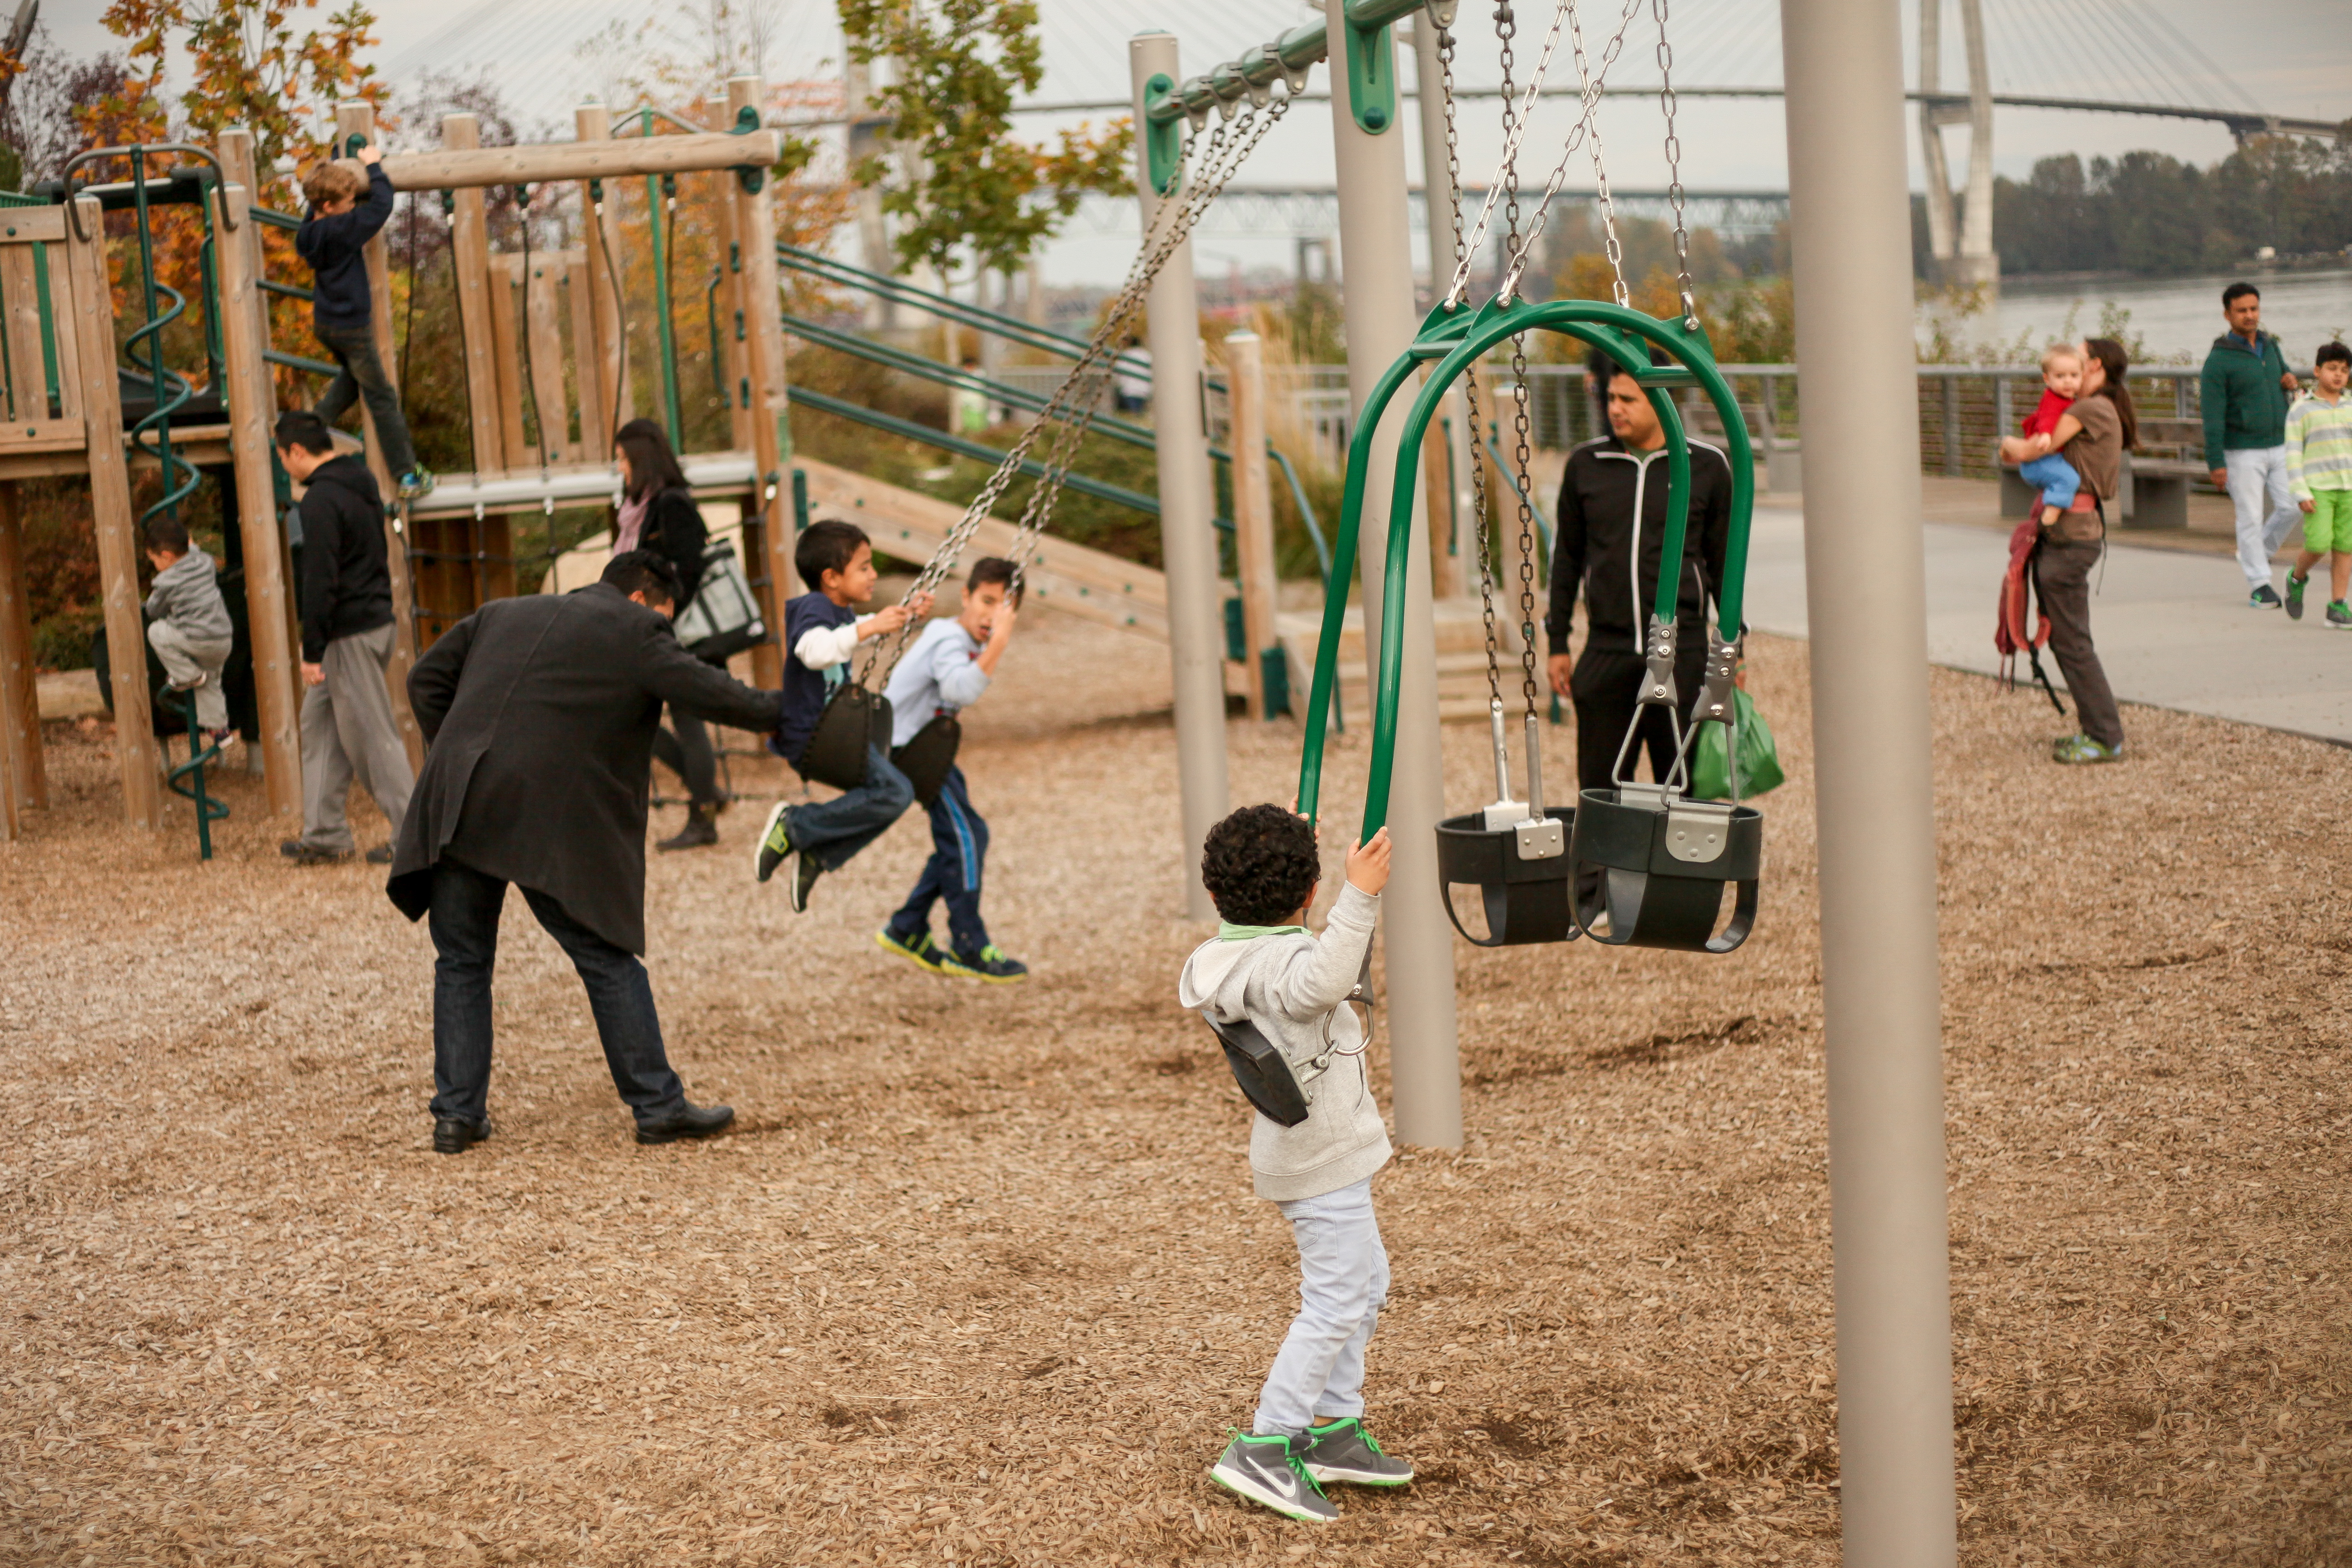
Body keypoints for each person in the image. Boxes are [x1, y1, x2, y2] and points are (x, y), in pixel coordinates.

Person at [387, 551, 781, 1153]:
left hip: (459, 801)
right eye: (668, 619)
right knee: (604, 953)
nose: (666, 632)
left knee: (462, 960)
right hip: (542, 813)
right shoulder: (635, 628)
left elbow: (424, 681)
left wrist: (460, 748)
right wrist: (788, 712)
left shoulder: (502, 611)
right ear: (645, 599)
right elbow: (706, 691)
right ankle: (658, 1106)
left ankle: (456, 1118)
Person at [1180, 806, 1412, 1524]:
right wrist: (1359, 893)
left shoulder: (1226, 957)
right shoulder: (1290, 973)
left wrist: (1299, 862)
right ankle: (1268, 1441)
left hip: (1315, 1156)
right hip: (1320, 1162)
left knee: (1364, 1284)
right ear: (1309, 894)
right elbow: (1320, 977)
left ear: (1216, 897)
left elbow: (1289, 945)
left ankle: (1333, 1427)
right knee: (1337, 1300)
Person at [1545, 349, 1734, 805]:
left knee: (1686, 796)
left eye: (1628, 399)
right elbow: (1566, 559)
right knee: (1598, 796)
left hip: (1683, 653)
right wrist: (1556, 644)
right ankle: (1596, 878)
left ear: (1662, 399)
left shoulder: (1705, 467)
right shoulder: (1586, 465)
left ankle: (1684, 878)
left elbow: (1725, 566)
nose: (1614, 409)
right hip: (1606, 651)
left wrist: (1732, 653)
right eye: (1611, 397)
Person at [753, 520, 925, 912]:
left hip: (832, 735)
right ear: (831, 577)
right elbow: (815, 651)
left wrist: (900, 616)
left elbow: (854, 633)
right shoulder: (812, 608)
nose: (874, 574)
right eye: (864, 567)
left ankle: (817, 853)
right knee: (896, 792)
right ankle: (795, 825)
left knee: (893, 795)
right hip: (810, 737)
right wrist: (870, 627)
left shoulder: (841, 611)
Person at [874, 557, 1028, 983]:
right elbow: (957, 688)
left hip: (923, 750)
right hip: (906, 748)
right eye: (986, 600)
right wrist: (1000, 642)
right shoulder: (947, 636)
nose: (992, 614)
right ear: (965, 596)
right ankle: (969, 943)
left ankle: (907, 926)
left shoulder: (962, 640)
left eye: (1004, 607)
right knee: (964, 835)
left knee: (964, 835)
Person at [276, 409, 415, 866]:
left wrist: (312, 650)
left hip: (347, 633)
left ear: (296, 452)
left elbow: (320, 579)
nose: (285, 469)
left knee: (371, 738)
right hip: (370, 621)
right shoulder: (362, 482)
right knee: (320, 726)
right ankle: (325, 832)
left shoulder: (318, 501)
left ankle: (416, 834)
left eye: (283, 459)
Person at [610, 418, 725, 851]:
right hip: (646, 629)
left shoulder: (672, 504)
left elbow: (691, 568)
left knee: (685, 719)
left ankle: (703, 817)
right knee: (637, 715)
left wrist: (666, 614)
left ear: (640, 458)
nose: (619, 468)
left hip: (676, 630)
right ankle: (706, 794)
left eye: (622, 458)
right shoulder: (634, 508)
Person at [294, 143, 431, 499]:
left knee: (353, 381)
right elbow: (383, 204)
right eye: (347, 202)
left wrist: (339, 159)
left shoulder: (308, 232)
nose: (354, 205)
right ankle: (407, 475)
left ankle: (311, 425)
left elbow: (332, 204)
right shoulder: (345, 229)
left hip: (326, 325)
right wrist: (373, 167)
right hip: (353, 328)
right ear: (328, 207)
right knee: (382, 396)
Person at [2036, 337, 2137, 765]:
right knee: (2066, 639)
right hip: (2077, 533)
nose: (2069, 370)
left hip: (2073, 536)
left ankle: (2103, 735)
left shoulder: (2089, 408)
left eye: (2077, 361)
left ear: (2093, 365)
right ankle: (2096, 729)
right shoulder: (2098, 407)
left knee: (2072, 641)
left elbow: (2033, 448)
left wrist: (2007, 446)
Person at [2200, 282, 2302, 608]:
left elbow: (2283, 376)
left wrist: (2289, 380)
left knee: (2290, 506)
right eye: (2241, 310)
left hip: (2279, 443)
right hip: (2241, 451)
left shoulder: (2269, 346)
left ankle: (2255, 552)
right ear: (2227, 314)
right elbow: (2211, 416)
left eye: (2253, 309)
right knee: (2249, 516)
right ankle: (2260, 585)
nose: (2249, 315)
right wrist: (2215, 463)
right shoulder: (2217, 362)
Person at [140, 514, 236, 752]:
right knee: (210, 679)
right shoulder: (205, 562)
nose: (155, 566)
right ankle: (220, 730)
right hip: (222, 639)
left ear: (167, 556)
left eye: (154, 560)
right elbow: (193, 549)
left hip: (196, 639)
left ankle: (186, 675)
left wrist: (154, 597)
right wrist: (190, 545)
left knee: (157, 632)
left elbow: (154, 611)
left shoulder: (166, 582)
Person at [2282, 341, 2352, 628]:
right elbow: (2293, 453)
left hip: (2348, 488)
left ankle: (2338, 606)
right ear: (2317, 371)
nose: (2338, 375)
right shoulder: (2301, 410)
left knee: (2345, 547)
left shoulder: (2350, 407)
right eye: (2332, 369)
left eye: (2345, 371)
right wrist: (2300, 491)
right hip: (2317, 489)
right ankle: (2297, 578)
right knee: (2319, 543)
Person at [1997, 344, 2085, 525]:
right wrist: (2046, 435)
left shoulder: (2068, 400)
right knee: (2069, 479)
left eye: (2074, 375)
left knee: (2067, 477)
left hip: (2050, 460)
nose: (2068, 381)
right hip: (2039, 462)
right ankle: (2051, 513)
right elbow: (2048, 418)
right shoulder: (2053, 400)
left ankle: (2047, 510)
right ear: (2047, 379)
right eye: (2060, 376)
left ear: (2082, 376)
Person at [1113, 335, 1151, 415]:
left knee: (1133, 413)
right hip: (1145, 389)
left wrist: (1118, 384)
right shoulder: (1147, 355)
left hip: (1129, 389)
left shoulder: (1126, 355)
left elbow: (1118, 371)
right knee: (1140, 413)